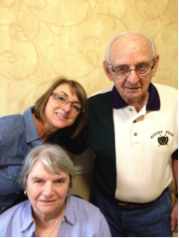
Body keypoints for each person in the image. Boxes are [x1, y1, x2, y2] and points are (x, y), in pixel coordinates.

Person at [64, 31, 178, 238]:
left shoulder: (175, 101)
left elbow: (177, 154)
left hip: (157, 213)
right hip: (105, 210)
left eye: (142, 66)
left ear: (156, 64)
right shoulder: (93, 107)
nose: (133, 79)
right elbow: (63, 156)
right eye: (122, 69)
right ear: (108, 70)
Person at [0, 77, 88, 214]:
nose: (66, 108)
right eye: (61, 98)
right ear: (47, 98)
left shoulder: (55, 146)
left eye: (75, 106)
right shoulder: (8, 129)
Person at [0, 144, 111, 238]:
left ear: (70, 183)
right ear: (25, 183)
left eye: (59, 181)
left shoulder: (95, 220)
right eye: (38, 181)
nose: (48, 193)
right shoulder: (4, 225)